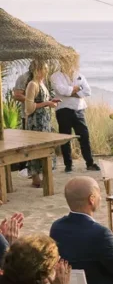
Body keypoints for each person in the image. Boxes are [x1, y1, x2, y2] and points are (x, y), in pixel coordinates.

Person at [50, 57, 100, 174]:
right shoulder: (55, 76)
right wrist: (77, 90)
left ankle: (89, 163)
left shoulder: (79, 75)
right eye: (65, 61)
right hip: (63, 110)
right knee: (65, 138)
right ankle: (68, 165)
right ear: (61, 62)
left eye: (70, 61)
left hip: (79, 109)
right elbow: (61, 90)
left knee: (84, 136)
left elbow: (87, 91)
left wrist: (71, 92)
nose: (69, 63)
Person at [22, 59, 61, 188]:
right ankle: (35, 177)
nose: (46, 71)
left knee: (45, 148)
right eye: (44, 68)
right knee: (36, 148)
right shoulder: (32, 84)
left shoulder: (42, 83)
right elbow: (29, 107)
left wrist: (51, 101)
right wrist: (46, 103)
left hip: (44, 120)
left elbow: (43, 100)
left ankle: (44, 175)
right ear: (37, 70)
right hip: (35, 122)